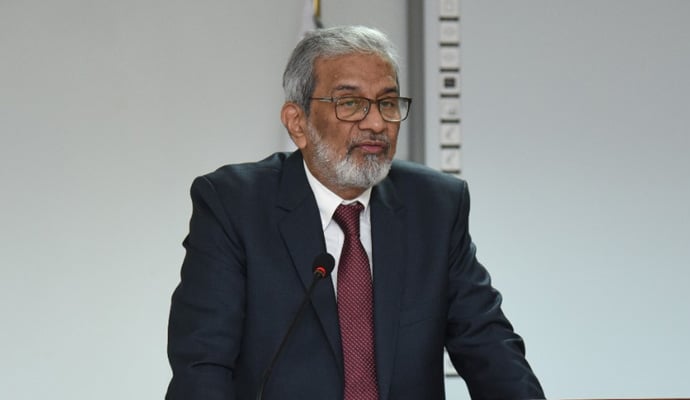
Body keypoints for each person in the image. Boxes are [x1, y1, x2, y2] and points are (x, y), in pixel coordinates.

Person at [166, 25, 544, 400]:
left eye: (387, 102)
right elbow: (202, 366)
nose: (377, 123)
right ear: (298, 123)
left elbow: (488, 346)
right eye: (350, 104)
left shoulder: (435, 206)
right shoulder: (234, 205)